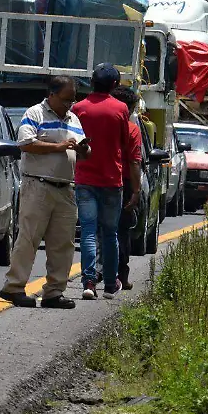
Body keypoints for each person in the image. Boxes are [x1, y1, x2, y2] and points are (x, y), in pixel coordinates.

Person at [0, 76, 90, 309]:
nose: (70, 104)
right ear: (52, 94)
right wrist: (59, 147)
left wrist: (84, 148)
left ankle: (54, 292)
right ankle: (14, 287)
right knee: (29, 238)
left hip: (65, 187)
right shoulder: (34, 114)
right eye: (66, 99)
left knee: (63, 243)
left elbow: (83, 151)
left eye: (73, 99)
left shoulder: (74, 119)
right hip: (38, 184)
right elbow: (26, 144)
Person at [72, 65, 137, 300]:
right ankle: (110, 284)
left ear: (92, 82)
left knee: (88, 231)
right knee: (110, 233)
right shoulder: (120, 109)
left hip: (85, 178)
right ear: (115, 85)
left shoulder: (78, 108)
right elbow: (123, 142)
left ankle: (89, 282)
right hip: (112, 179)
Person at [109, 85, 144, 291]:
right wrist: (137, 190)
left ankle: (96, 273)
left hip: (98, 181)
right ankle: (121, 273)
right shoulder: (132, 129)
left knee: (98, 230)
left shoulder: (99, 124)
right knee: (122, 231)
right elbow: (134, 162)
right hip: (123, 183)